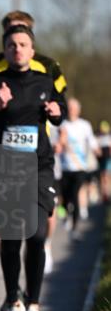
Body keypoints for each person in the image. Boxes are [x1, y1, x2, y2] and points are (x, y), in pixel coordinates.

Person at [0, 25, 65, 311]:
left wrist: (55, 111)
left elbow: (59, 112)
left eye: (23, 44)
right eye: (11, 45)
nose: (17, 50)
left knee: (37, 234)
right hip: (2, 169)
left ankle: (34, 306)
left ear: (32, 50)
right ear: (5, 50)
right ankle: (14, 302)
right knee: (10, 239)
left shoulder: (45, 81)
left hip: (38, 168)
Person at [58, 99, 100, 234]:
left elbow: (92, 140)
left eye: (73, 108)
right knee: (65, 197)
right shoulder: (62, 125)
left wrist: (96, 150)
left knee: (75, 195)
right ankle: (65, 216)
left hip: (80, 167)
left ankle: (74, 226)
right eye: (69, 107)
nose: (71, 110)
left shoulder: (85, 125)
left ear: (78, 110)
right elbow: (57, 144)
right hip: (64, 167)